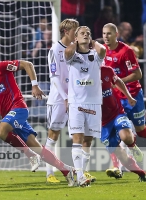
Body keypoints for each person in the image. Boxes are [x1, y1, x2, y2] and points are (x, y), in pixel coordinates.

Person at [0, 48, 75, 186]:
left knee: (1, 131)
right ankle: (67, 171)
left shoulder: (1, 67)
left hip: (18, 108)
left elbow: (27, 64)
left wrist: (35, 86)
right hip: (9, 117)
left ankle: (31, 156)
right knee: (40, 149)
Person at [64, 26, 106, 186]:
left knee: (88, 140)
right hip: (76, 102)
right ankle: (80, 176)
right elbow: (67, 53)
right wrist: (76, 42)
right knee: (78, 137)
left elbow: (102, 50)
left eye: (88, 33)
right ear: (75, 37)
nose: (86, 35)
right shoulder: (72, 56)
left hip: (94, 102)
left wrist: (91, 41)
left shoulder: (95, 55)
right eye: (82, 33)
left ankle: (81, 170)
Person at [102, 23, 146, 175]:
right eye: (104, 34)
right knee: (115, 131)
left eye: (108, 34)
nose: (106, 37)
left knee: (141, 131)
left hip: (133, 94)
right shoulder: (102, 51)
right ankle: (116, 168)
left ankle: (133, 147)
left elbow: (138, 74)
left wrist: (118, 82)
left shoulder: (126, 51)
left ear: (116, 34)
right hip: (115, 98)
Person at [45, 19, 79, 183]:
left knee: (80, 135)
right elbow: (55, 78)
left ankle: (80, 172)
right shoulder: (55, 49)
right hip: (58, 100)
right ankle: (49, 173)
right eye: (75, 30)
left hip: (75, 98)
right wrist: (65, 98)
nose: (77, 34)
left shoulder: (76, 50)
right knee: (53, 136)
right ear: (66, 31)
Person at [101, 65, 146, 181]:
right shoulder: (81, 77)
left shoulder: (106, 70)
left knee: (126, 136)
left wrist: (129, 97)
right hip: (101, 122)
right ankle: (141, 173)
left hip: (117, 112)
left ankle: (132, 145)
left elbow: (119, 81)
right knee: (120, 154)